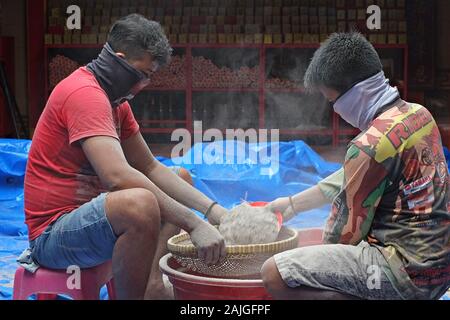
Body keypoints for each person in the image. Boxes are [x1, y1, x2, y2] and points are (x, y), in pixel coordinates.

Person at [23, 14, 228, 300]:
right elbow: (117, 177)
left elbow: (149, 165)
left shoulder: (115, 102)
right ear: (119, 60)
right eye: (143, 74)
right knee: (139, 204)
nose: (144, 84)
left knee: (179, 177)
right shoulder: (85, 95)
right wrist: (194, 225)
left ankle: (152, 287)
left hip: (89, 219)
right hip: (53, 234)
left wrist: (214, 211)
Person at [262, 32, 450, 300]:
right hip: (440, 270)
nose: (335, 109)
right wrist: (291, 205)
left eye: (332, 101)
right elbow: (353, 176)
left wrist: (313, 261)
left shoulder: (368, 146)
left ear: (355, 93)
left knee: (275, 272)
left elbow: (341, 238)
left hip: (407, 278)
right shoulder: (419, 115)